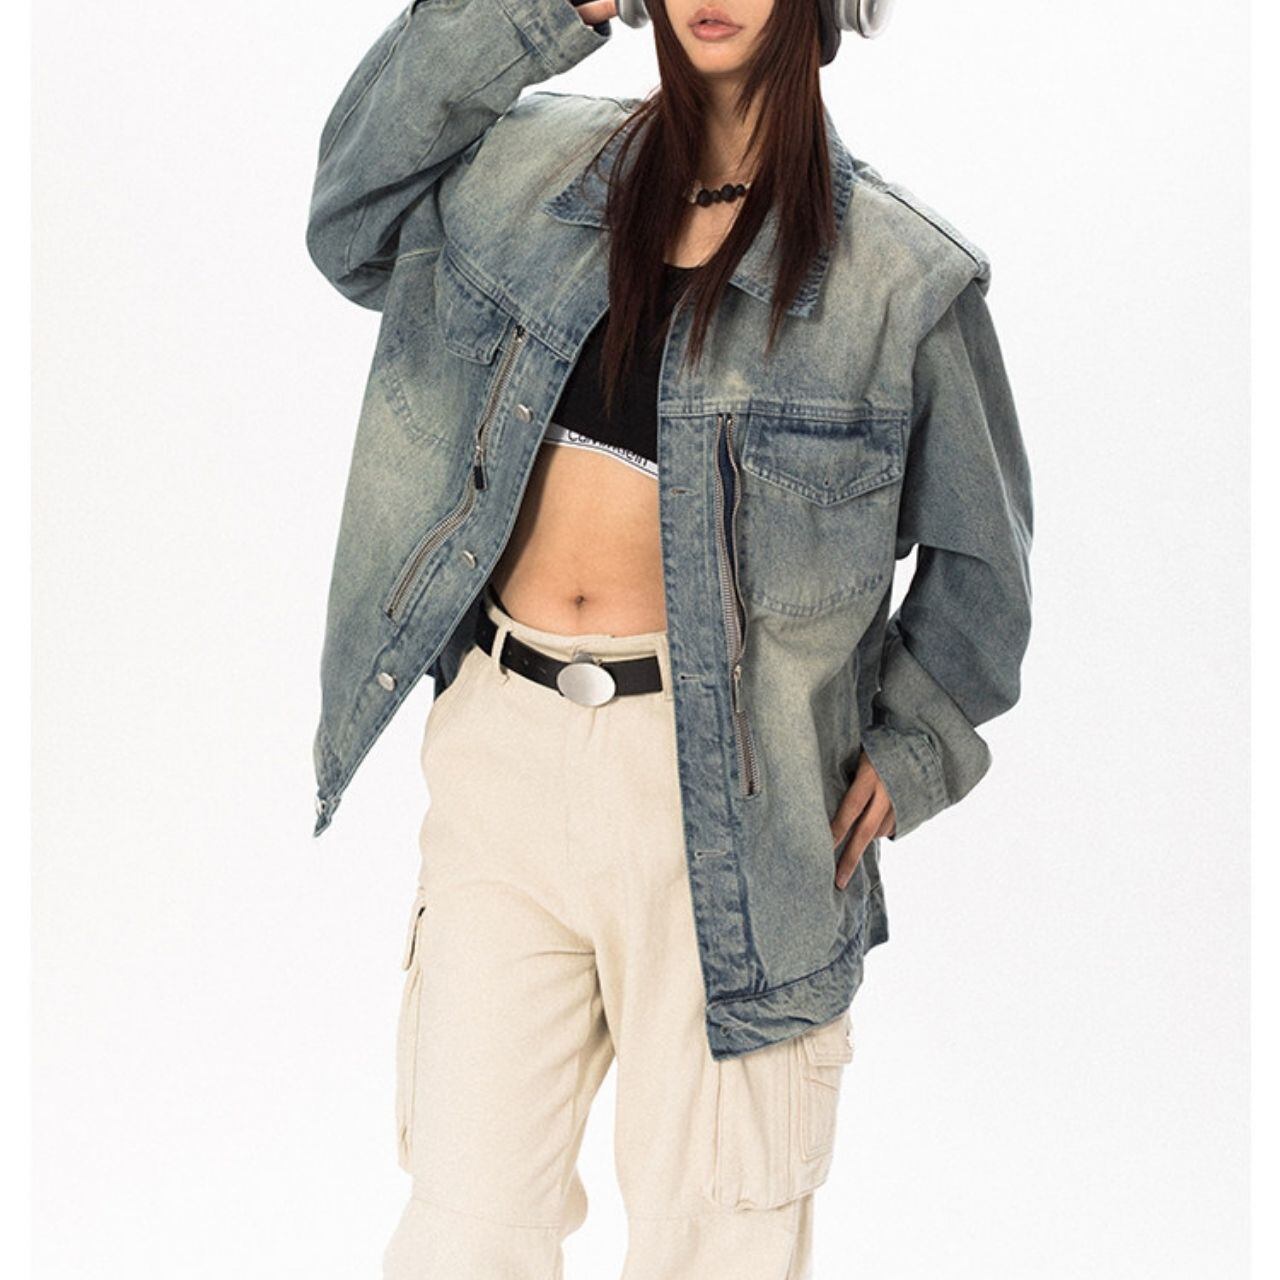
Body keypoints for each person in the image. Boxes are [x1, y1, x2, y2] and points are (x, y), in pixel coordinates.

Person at [304, 1, 1034, 1275]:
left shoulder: (897, 278)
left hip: (735, 808)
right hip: (502, 760)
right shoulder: (520, 175)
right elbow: (352, 214)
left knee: (715, 1238)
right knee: (464, 1221)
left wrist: (912, 745)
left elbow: (984, 564)